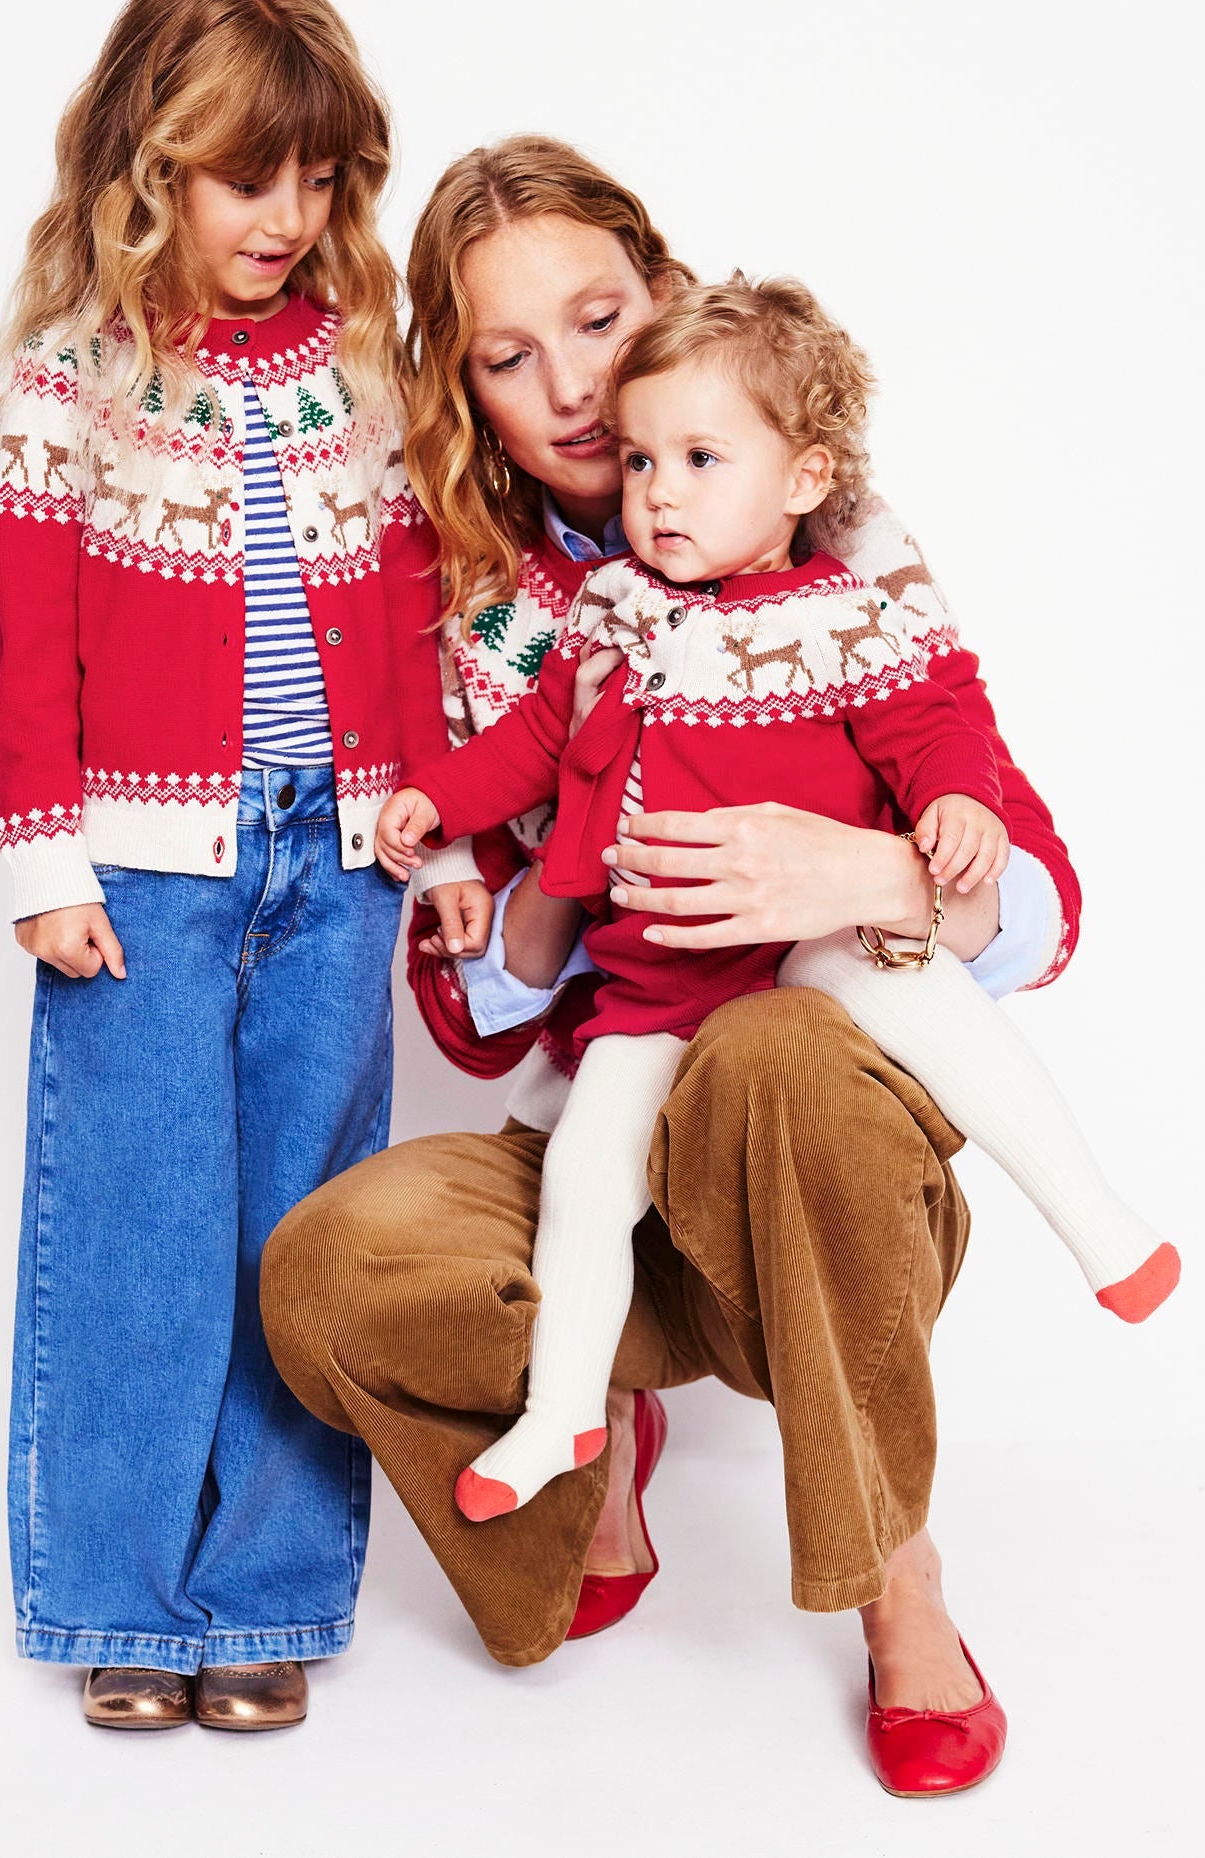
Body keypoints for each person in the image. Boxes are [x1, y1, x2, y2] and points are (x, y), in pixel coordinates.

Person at [260, 137, 1084, 1796]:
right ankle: (587, 1457)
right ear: (465, 391)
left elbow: (1045, 906)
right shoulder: (474, 613)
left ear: (665, 292)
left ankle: (897, 1573)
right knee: (329, 1272)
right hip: (606, 1124)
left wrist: (863, 870)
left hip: (816, 1154)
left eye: (597, 319)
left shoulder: (829, 541)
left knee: (777, 1054)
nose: (572, 389)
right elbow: (474, 1022)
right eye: (509, 357)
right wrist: (531, 884)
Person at [376, 271, 1176, 1524]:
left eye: (701, 461)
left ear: (805, 479)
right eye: (643, 462)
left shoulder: (845, 616)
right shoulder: (614, 612)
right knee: (587, 1168)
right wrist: (438, 800)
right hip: (657, 982)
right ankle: (564, 1409)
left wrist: (955, 806)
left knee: (909, 986)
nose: (660, 493)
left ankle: (1101, 1222)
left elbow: (936, 725)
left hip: (802, 953)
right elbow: (533, 741)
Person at [0, 0, 443, 1733]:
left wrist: (434, 825)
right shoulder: (75, 374)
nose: (288, 218)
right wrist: (46, 855)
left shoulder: (363, 364)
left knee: (298, 1232)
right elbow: (31, 628)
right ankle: (122, 1594)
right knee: (138, 1225)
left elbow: (410, 607)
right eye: (251, 179)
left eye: (318, 182)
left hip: (341, 851)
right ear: (154, 167)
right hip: (143, 864)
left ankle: (264, 1593)